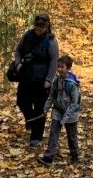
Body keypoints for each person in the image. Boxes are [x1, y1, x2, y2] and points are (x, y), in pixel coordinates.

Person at [13, 13, 59, 146]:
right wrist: (18, 63)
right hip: (26, 76)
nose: (38, 29)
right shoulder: (28, 35)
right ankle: (30, 120)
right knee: (22, 101)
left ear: (47, 27)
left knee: (39, 108)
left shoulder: (51, 41)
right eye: (37, 26)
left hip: (42, 80)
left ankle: (36, 136)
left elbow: (54, 61)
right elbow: (18, 50)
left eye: (41, 27)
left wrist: (49, 80)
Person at [38, 54, 80, 166]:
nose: (59, 69)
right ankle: (48, 157)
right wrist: (45, 108)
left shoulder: (72, 85)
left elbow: (74, 104)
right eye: (58, 67)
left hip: (70, 115)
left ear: (68, 68)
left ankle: (74, 155)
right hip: (57, 111)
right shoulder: (56, 81)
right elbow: (52, 96)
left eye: (62, 67)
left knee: (72, 136)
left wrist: (65, 118)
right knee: (53, 134)